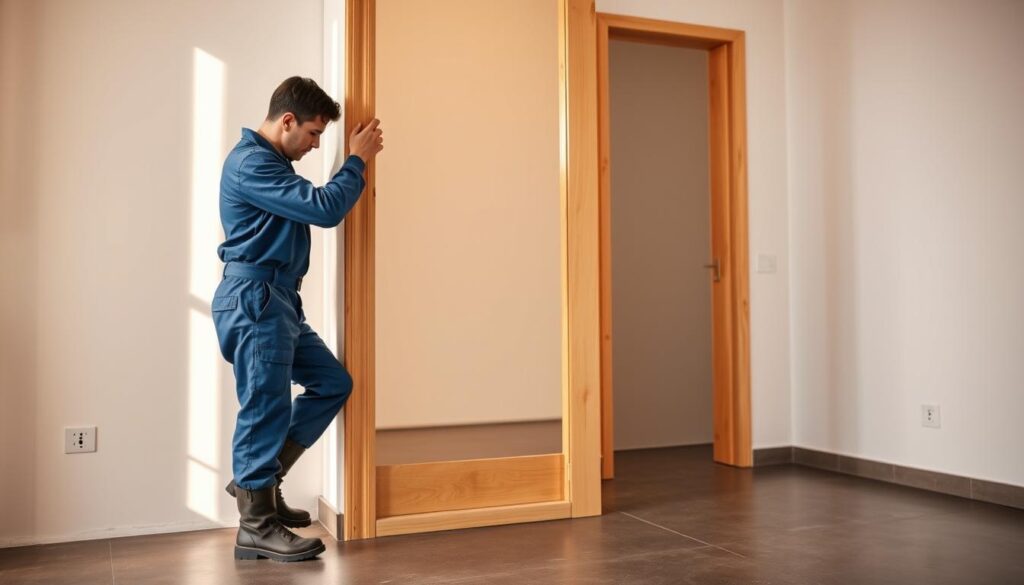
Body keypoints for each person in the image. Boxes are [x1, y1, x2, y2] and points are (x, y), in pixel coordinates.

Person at [211, 76, 383, 562]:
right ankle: (256, 524)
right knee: (264, 406)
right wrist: (357, 159)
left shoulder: (273, 164)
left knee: (332, 383)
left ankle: (260, 487)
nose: (314, 145)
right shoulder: (251, 164)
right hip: (256, 297)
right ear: (287, 121)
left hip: (278, 299)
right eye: (312, 134)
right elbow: (326, 209)